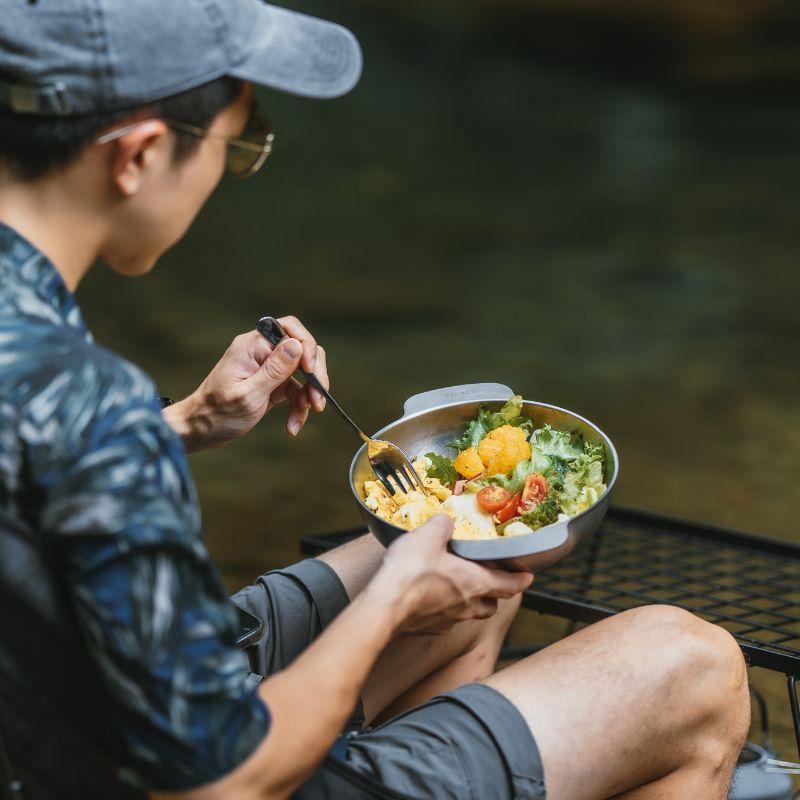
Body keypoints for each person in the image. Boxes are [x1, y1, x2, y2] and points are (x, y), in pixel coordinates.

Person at [0, 2, 751, 798]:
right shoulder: (90, 404)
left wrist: (182, 422)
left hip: (84, 712)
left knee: (473, 545)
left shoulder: (59, 381)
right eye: (240, 143)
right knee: (696, 668)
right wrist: (390, 604)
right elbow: (219, 781)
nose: (230, 172)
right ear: (140, 156)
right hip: (209, 769)